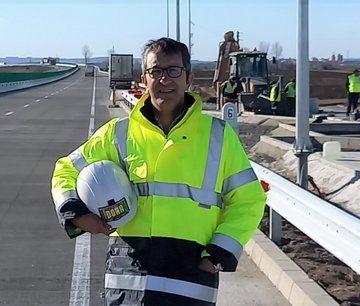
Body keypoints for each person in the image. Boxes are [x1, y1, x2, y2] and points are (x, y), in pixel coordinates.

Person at [51, 37, 267, 306]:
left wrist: (218, 255)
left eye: (174, 70)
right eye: (156, 71)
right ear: (144, 78)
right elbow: (66, 170)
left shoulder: (218, 137)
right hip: (128, 277)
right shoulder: (118, 134)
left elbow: (249, 199)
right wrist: (76, 214)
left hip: (190, 279)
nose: (165, 79)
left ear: (188, 77)